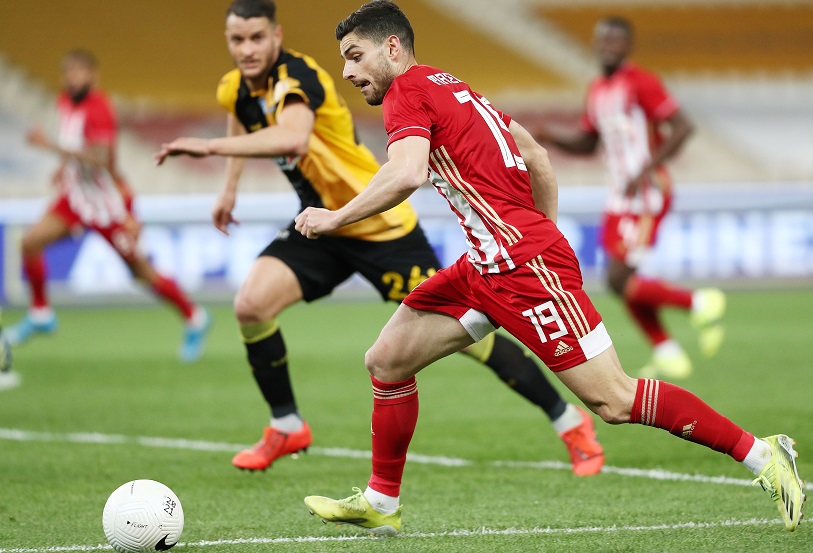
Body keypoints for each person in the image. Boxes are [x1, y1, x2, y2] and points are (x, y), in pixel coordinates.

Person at [299, 0, 804, 536]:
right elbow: (536, 155)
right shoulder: (452, 86)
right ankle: (381, 502)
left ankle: (762, 453)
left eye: (355, 56)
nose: (347, 71)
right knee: (387, 360)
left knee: (614, 399)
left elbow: (406, 173)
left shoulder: (406, 92)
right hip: (485, 267)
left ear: (392, 47)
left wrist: (336, 218)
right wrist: (545, 230)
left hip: (522, 267)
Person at [153, 0, 604, 476]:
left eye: (256, 38)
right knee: (251, 305)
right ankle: (286, 425)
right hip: (321, 222)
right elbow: (239, 114)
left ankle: (568, 421)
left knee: (472, 338)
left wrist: (206, 146)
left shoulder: (299, 78)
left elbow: (292, 138)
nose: (247, 49)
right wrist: (228, 189)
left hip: (379, 225)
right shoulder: (235, 87)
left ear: (276, 37)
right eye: (237, 40)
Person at [534, 17, 724, 381]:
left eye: (615, 41)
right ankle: (668, 352)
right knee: (618, 281)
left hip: (646, 193)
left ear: (627, 46)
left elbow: (683, 127)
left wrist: (645, 169)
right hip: (621, 196)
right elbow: (589, 142)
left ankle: (700, 302)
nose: (607, 46)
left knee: (619, 279)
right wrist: (551, 136)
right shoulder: (597, 90)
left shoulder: (641, 83)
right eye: (602, 40)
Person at [6, 50, 210, 363]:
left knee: (139, 271)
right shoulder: (64, 102)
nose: (72, 78)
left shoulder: (100, 109)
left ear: (93, 75)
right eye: (68, 72)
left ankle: (194, 316)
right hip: (75, 198)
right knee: (30, 242)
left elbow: (100, 159)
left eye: (79, 72)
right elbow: (75, 145)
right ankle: (40, 313)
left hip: (106, 204)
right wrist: (63, 167)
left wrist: (51, 147)